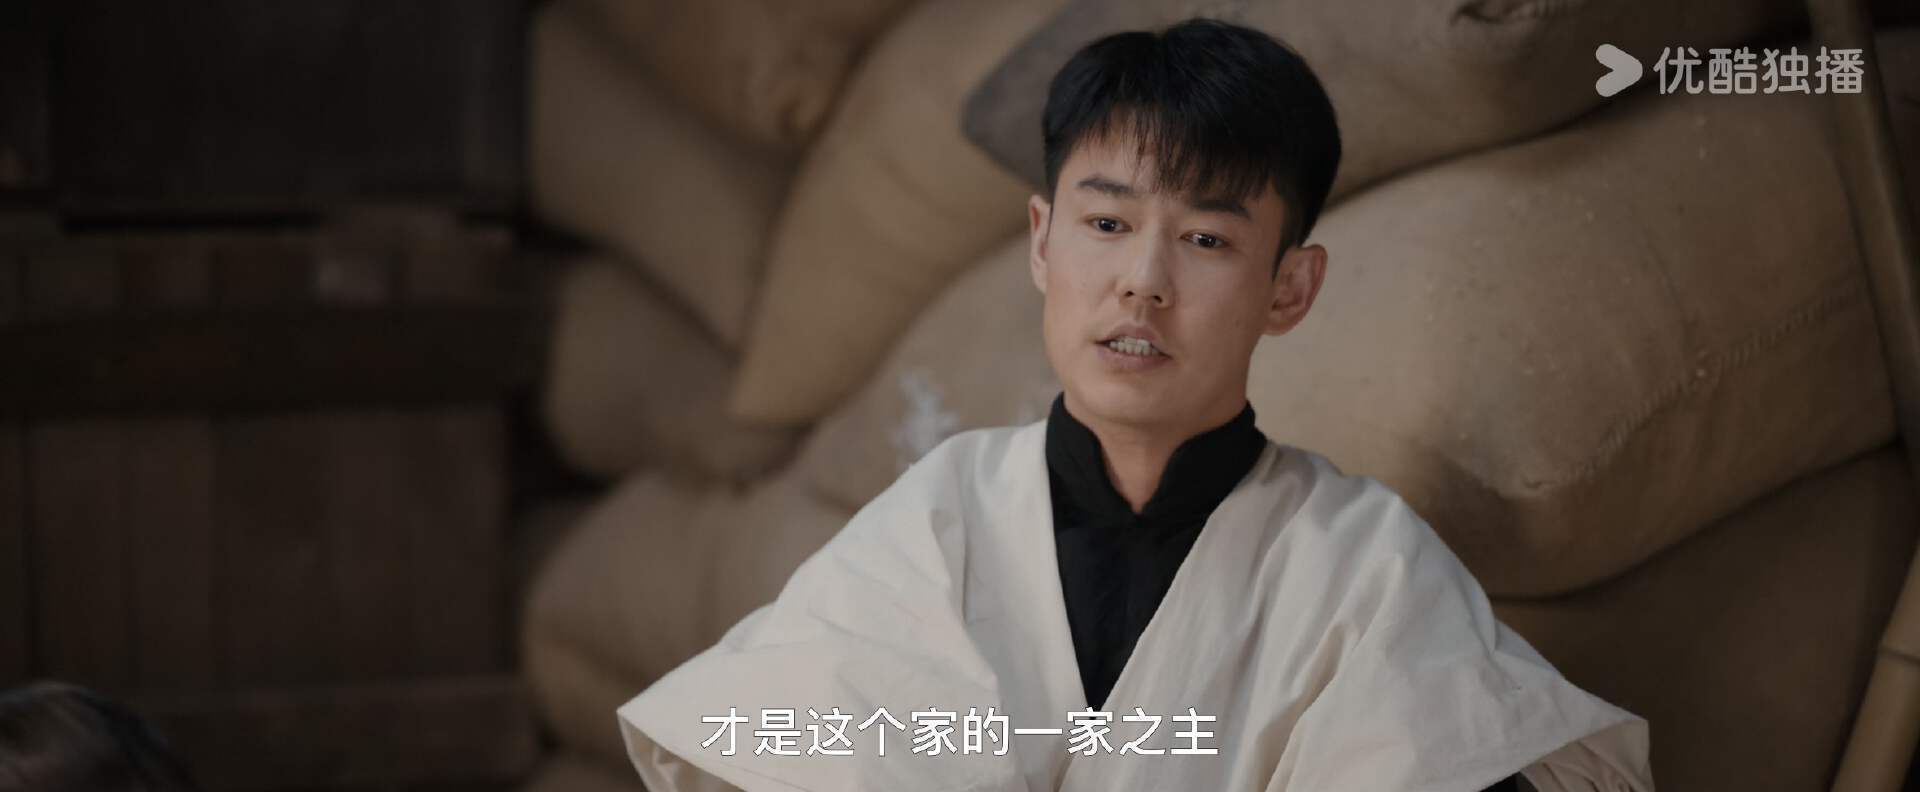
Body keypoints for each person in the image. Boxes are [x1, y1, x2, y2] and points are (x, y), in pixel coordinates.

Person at [617, 18, 1652, 792]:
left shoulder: (1362, 569)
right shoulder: (936, 524)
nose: (1143, 284)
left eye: (1206, 239)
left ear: (1290, 288)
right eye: (1107, 225)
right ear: (1042, 242)